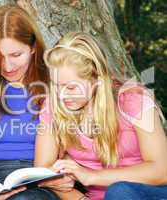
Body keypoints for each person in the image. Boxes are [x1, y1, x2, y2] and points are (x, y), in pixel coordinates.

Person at [0, 4, 74, 200]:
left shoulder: (56, 84)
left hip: (37, 181)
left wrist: (65, 170)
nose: (7, 66)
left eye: (15, 55)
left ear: (33, 48)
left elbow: (78, 144)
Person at [35, 32, 167, 200]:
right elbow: (42, 172)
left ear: (97, 79)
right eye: (56, 86)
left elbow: (162, 171)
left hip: (150, 193)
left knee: (119, 191)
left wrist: (92, 176)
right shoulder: (54, 105)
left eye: (71, 88)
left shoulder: (133, 100)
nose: (61, 96)